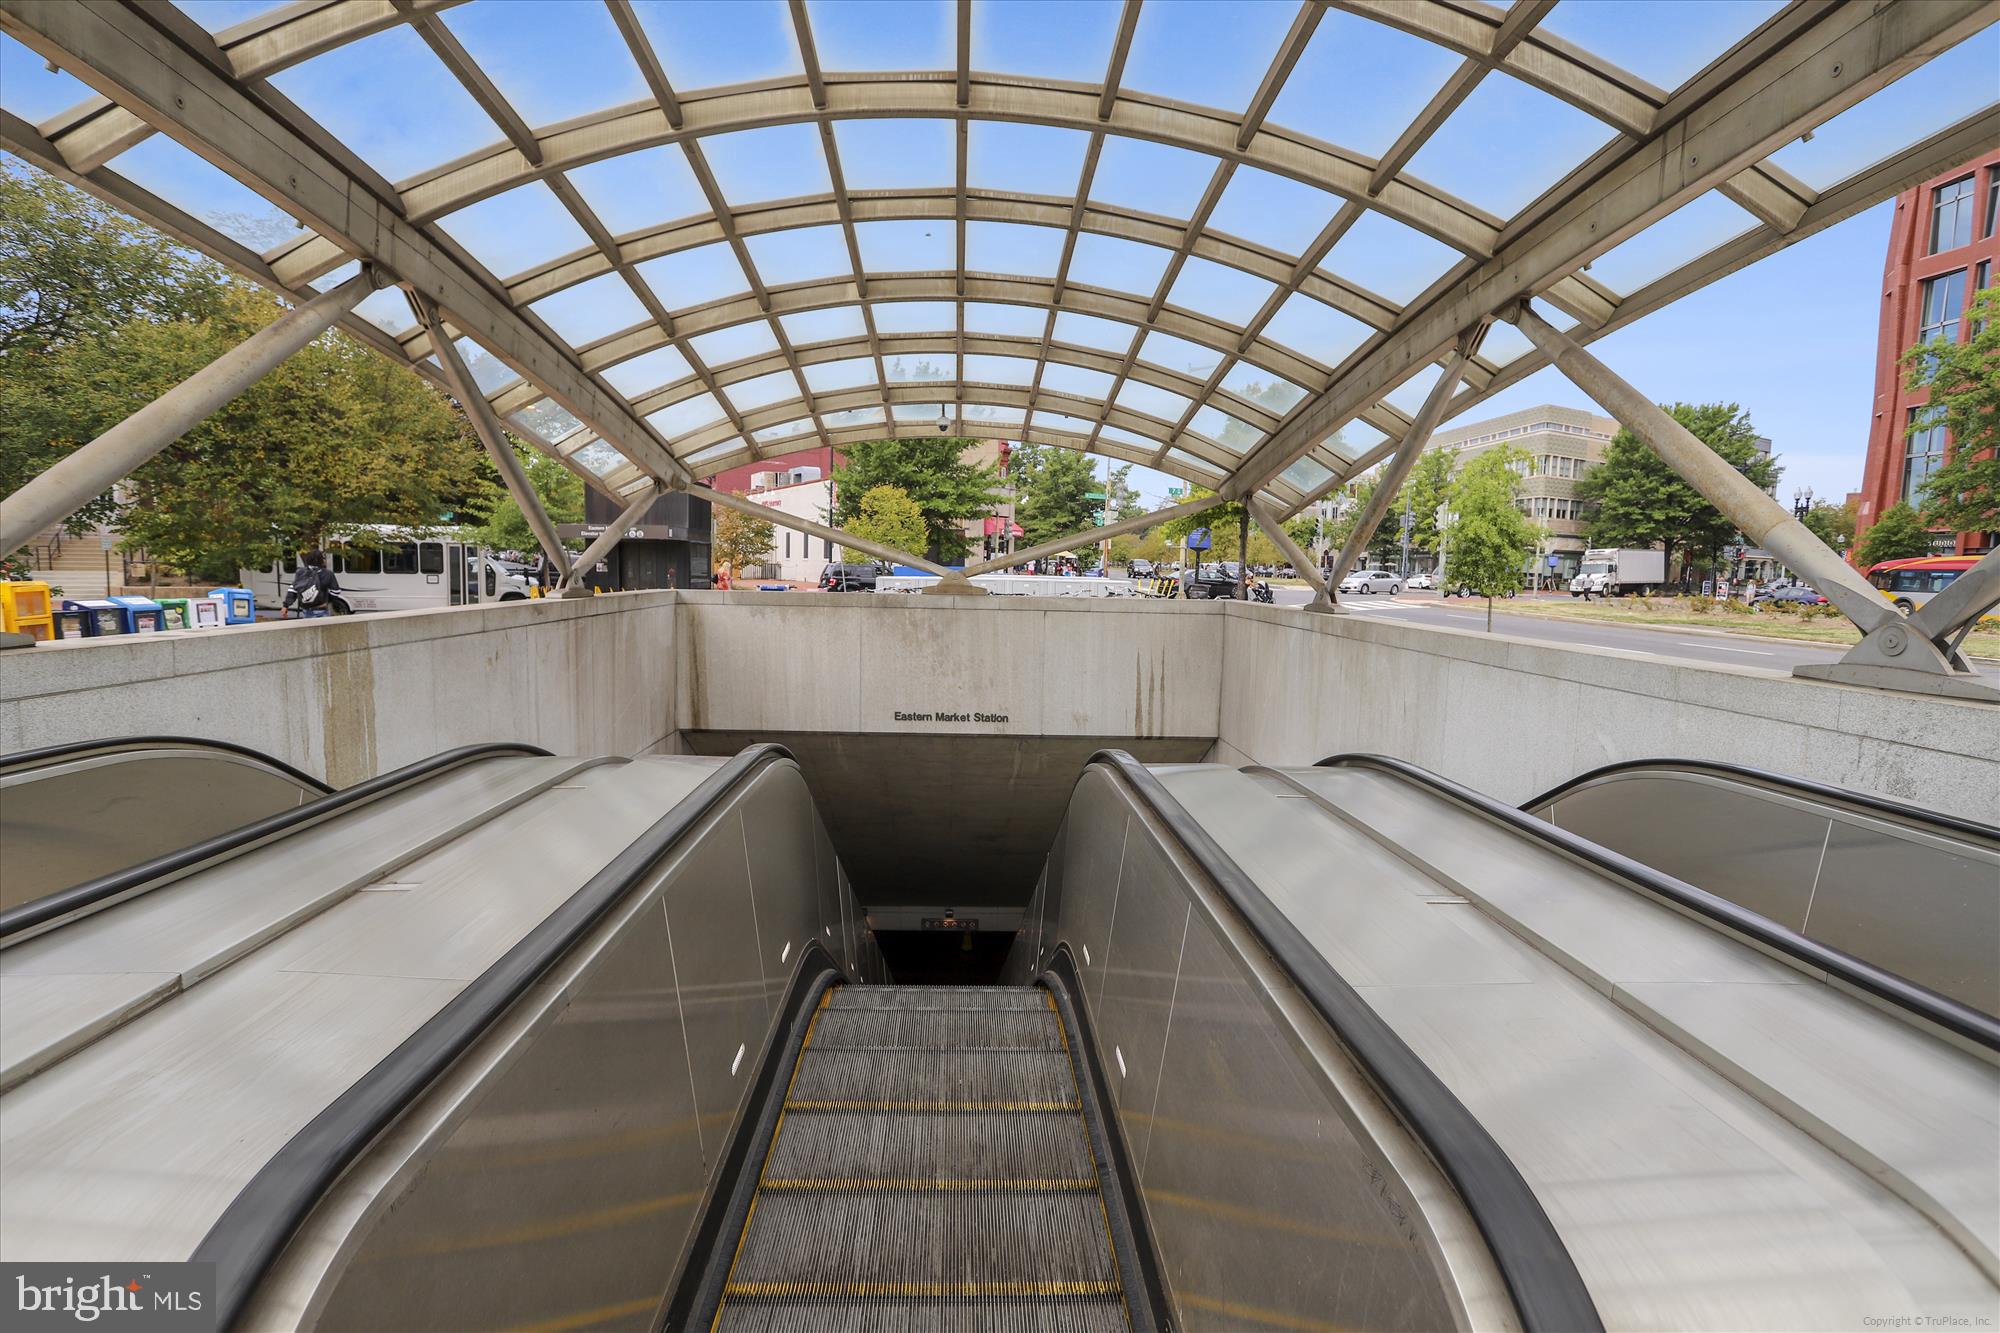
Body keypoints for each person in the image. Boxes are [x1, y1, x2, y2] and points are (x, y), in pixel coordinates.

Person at [284, 550, 340, 618]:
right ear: (321, 560)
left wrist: (285, 606)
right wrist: (325, 599)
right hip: (321, 610)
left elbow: (293, 590)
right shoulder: (327, 574)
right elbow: (336, 592)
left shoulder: (301, 572)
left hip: (305, 611)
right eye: (323, 558)